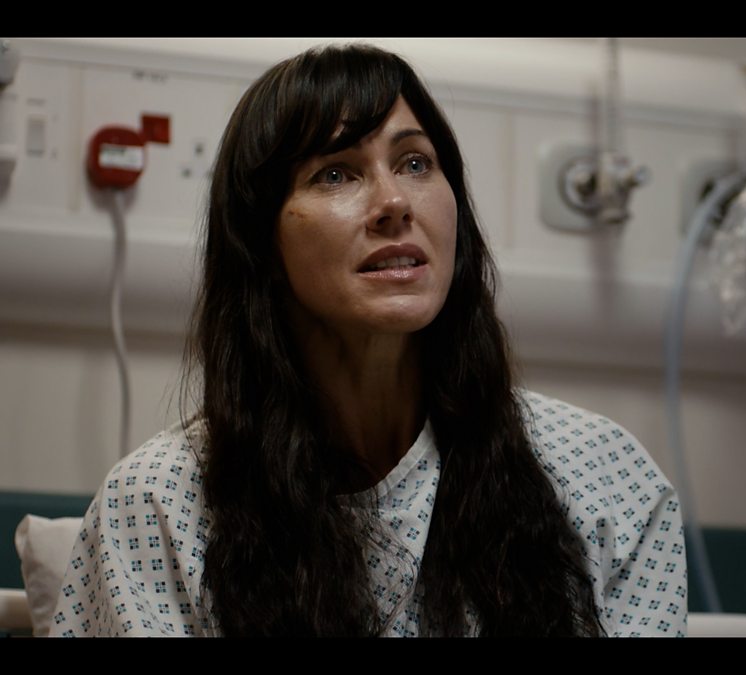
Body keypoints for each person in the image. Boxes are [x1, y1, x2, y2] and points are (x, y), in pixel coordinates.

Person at [50, 43, 688, 637]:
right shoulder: (158, 508)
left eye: (415, 163)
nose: (394, 202)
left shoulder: (604, 481)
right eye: (335, 173)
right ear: (262, 244)